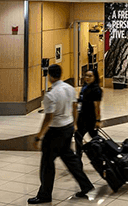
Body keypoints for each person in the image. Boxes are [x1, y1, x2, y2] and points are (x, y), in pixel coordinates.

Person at [29, 64, 94, 204]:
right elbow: (75, 106)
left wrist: (38, 136)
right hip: (68, 127)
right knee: (71, 160)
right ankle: (86, 185)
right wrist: (75, 124)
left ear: (50, 76)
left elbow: (48, 118)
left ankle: (44, 195)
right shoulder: (70, 89)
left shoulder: (51, 95)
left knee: (47, 163)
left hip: (55, 132)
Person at [74, 69, 103, 159]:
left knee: (94, 138)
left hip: (90, 118)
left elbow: (97, 106)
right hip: (82, 116)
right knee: (78, 137)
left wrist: (97, 120)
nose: (87, 78)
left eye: (90, 76)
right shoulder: (85, 87)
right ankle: (78, 157)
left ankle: (102, 155)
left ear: (95, 77)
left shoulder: (96, 90)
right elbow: (82, 99)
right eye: (86, 75)